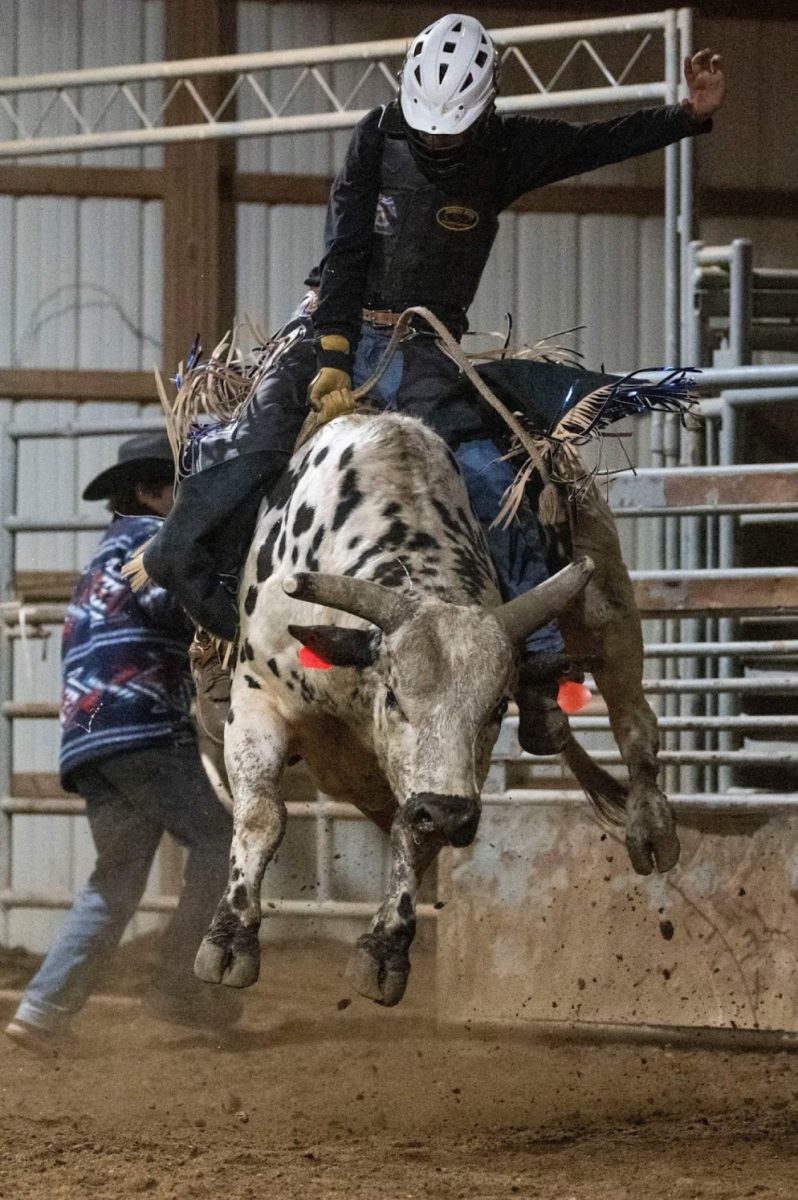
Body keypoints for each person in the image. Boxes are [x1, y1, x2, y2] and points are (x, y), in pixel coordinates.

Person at [142, 14, 725, 754]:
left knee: (487, 472)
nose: (439, 139)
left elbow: (594, 143)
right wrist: (329, 356)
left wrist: (686, 117)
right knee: (253, 450)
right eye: (431, 126)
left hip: (424, 343)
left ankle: (538, 656)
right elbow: (346, 247)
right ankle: (215, 614)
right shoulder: (377, 137)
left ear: (484, 108)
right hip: (336, 319)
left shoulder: (508, 150)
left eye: (452, 129)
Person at [4, 433, 239, 1056]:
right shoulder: (151, 542)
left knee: (116, 879)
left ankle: (43, 1010)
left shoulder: (104, 554)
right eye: (181, 492)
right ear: (151, 492)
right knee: (224, 839)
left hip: (90, 740)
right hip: (140, 728)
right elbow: (175, 602)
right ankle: (176, 985)